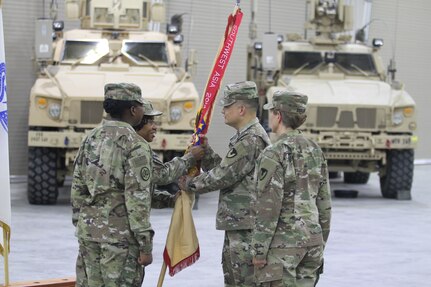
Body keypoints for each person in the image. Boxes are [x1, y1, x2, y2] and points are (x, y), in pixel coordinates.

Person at [179, 81, 271, 287]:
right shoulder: (245, 137)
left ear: (241, 109)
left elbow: (224, 175)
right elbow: (229, 169)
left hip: (247, 226)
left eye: (227, 106)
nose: (223, 110)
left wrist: (190, 184)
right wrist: (206, 150)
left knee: (243, 281)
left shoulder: (251, 139)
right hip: (240, 223)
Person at [71, 83, 154, 287]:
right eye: (141, 106)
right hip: (120, 240)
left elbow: (78, 189)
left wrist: (82, 225)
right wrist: (145, 245)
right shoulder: (135, 145)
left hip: (88, 234)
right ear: (134, 110)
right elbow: (137, 200)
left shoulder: (90, 139)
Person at [251, 90, 332, 287]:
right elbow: (324, 203)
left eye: (271, 112)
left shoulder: (273, 153)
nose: (269, 116)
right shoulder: (315, 150)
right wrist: (321, 241)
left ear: (278, 115)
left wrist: (259, 250)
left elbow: (268, 206)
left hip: (283, 246)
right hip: (312, 241)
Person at [133, 99, 205, 208]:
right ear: (137, 121)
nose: (155, 127)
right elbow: (161, 175)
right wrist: (190, 158)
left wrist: (170, 200)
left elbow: (140, 192)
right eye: (150, 122)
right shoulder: (134, 147)